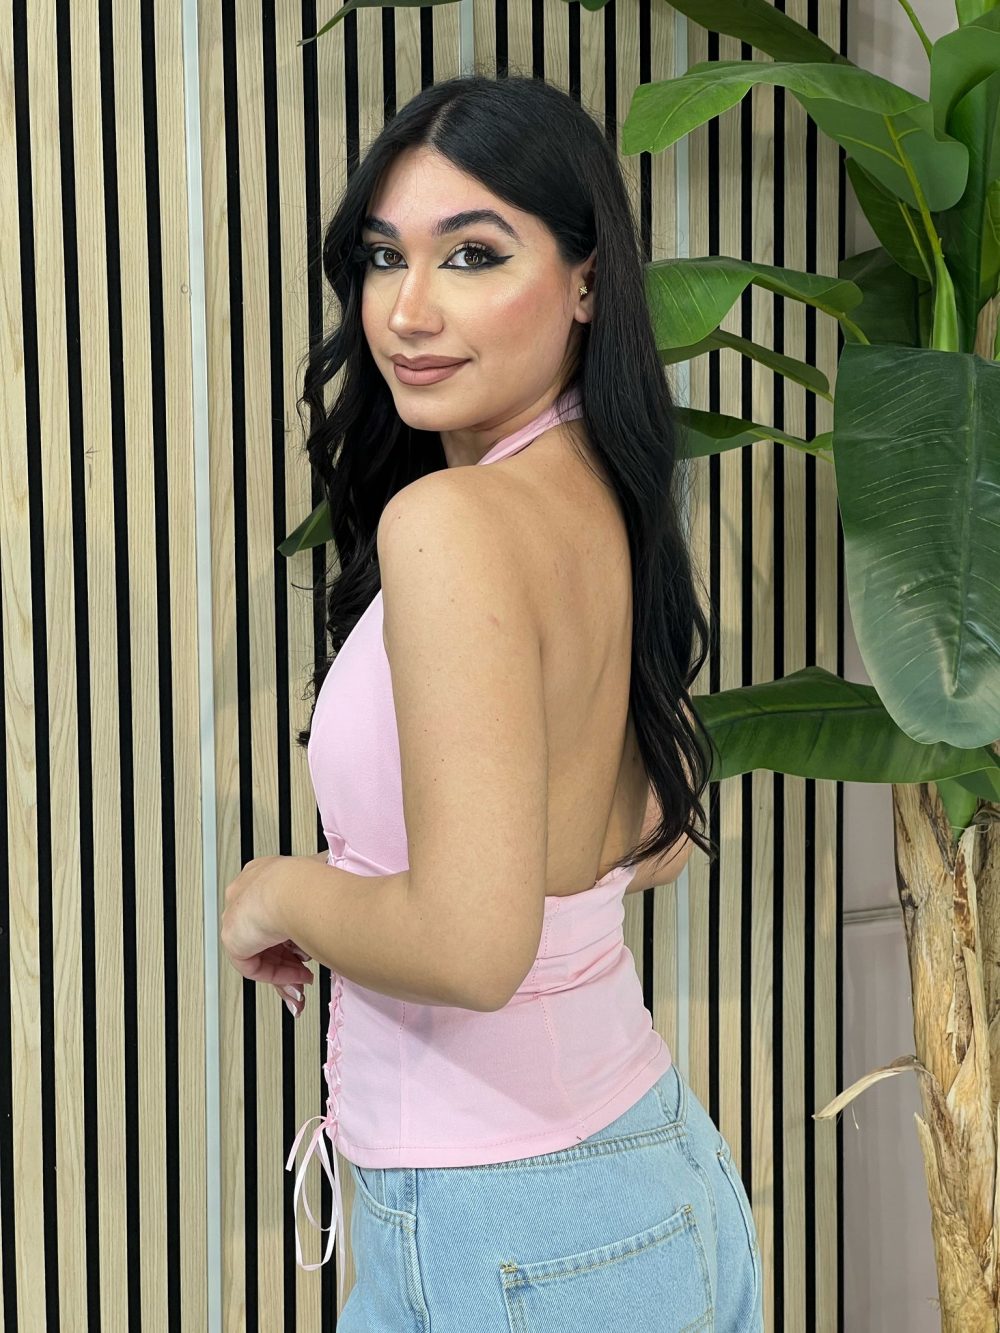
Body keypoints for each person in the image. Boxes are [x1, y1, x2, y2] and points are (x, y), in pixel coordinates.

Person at [283, 72, 763, 1332]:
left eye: (473, 254)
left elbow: (471, 947)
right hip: (648, 1181)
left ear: (586, 281)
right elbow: (648, 827)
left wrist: (271, 894)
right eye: (384, 257)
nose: (409, 310)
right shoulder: (603, 492)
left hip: (513, 1233)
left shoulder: (454, 521)